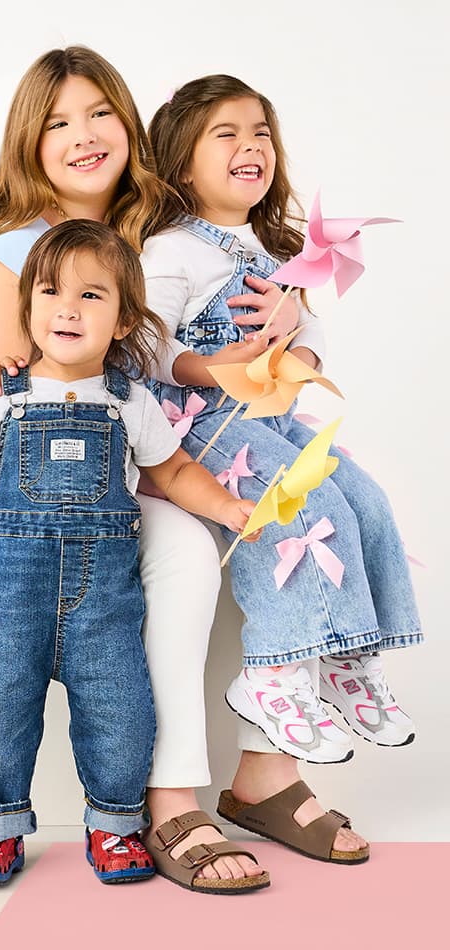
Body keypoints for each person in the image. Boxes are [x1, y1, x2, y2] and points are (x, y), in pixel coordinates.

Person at [0, 46, 268, 893]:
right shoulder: (18, 251)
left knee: (121, 689)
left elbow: (170, 426)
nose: (85, 135)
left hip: (128, 491)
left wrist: (284, 318)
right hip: (28, 525)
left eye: (99, 114)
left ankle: (147, 807)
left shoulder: (166, 231)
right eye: (58, 122)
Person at [0, 219, 261, 886]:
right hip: (11, 600)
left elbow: (171, 473)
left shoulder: (131, 401)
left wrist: (227, 507)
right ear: (27, 309)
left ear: (121, 321)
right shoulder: (2, 396)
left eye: (92, 295)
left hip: (104, 605)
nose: (67, 307)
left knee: (122, 712)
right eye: (52, 291)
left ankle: (115, 825)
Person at [140, 74, 422, 863]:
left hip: (269, 417)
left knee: (362, 503)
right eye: (224, 134)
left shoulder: (278, 252)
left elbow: (313, 338)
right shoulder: (171, 250)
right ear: (181, 163)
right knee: (295, 521)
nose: (250, 146)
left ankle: (350, 660)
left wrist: (297, 340)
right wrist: (209, 367)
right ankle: (272, 677)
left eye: (260, 131)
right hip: (201, 428)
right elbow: (146, 344)